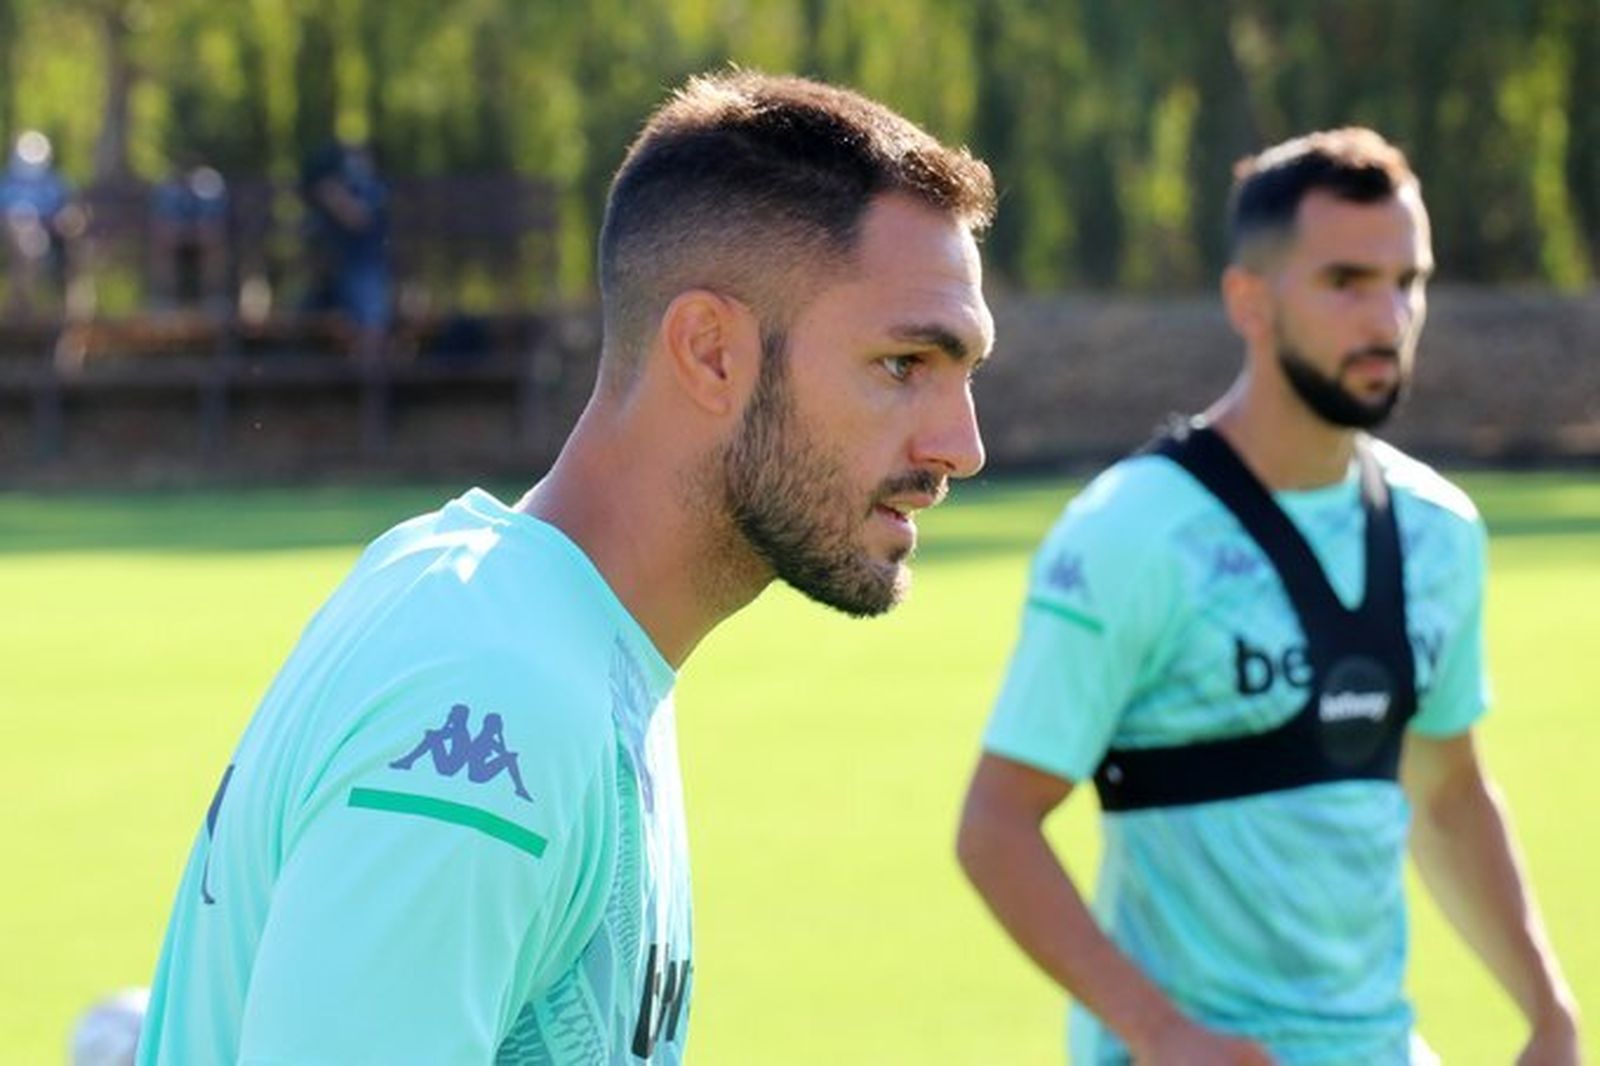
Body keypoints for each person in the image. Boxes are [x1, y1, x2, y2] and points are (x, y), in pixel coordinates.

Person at [138, 70, 995, 1064]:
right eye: (904, 365)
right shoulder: (496, 690)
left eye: (965, 373)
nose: (960, 445)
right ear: (712, 353)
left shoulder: (531, 631)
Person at [957, 128, 1580, 1065]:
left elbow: (1448, 793)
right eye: (1345, 282)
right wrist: (1163, 1033)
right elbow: (997, 825)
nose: (1387, 317)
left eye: (1407, 281)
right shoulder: (1131, 533)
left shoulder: (1440, 531)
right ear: (1248, 299)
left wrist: (1549, 1012)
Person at [300, 140, 392, 361]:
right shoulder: (334, 189)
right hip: (331, 273)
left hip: (364, 268)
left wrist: (333, 195)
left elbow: (358, 219)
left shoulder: (370, 188)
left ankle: (372, 382)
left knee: (371, 317)